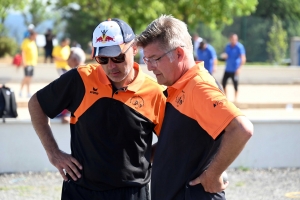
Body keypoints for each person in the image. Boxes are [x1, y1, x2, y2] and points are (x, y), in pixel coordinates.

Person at [28, 18, 166, 200]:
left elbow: (172, 139)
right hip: (80, 191)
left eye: (118, 57)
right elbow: (36, 104)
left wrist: (144, 157)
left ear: (134, 49)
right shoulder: (80, 79)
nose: (111, 66)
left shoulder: (155, 92)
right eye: (103, 59)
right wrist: (53, 153)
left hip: (131, 193)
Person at [136, 15, 253, 200]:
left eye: (154, 59)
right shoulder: (179, 86)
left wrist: (213, 174)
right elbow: (180, 144)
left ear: (179, 54)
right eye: (146, 59)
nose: (149, 67)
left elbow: (241, 129)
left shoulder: (198, 87)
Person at [222, 33, 246, 102]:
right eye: (232, 39)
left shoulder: (239, 47)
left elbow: (243, 58)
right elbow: (227, 55)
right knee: (223, 83)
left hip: (235, 69)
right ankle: (226, 98)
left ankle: (235, 99)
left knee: (235, 84)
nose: (233, 40)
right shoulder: (228, 46)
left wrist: (239, 68)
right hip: (228, 68)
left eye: (235, 39)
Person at [19, 30, 38, 98]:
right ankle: (21, 90)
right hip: (27, 63)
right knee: (26, 77)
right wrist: (24, 61)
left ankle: (28, 92)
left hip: (32, 63)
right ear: (31, 35)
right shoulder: (26, 41)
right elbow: (23, 52)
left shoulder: (33, 42)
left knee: (29, 78)